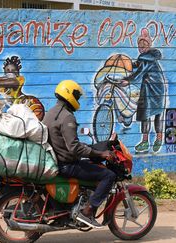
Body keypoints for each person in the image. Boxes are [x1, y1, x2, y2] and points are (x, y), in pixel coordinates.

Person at [43, 80, 116, 228]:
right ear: (69, 95)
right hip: (67, 165)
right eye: (76, 96)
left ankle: (77, 205)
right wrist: (101, 154)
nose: (77, 99)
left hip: (57, 160)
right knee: (109, 176)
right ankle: (88, 211)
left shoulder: (51, 113)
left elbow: (67, 143)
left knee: (91, 166)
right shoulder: (67, 117)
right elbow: (74, 148)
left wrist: (91, 150)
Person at [121, 28, 166, 153]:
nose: (141, 48)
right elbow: (139, 65)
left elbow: (140, 72)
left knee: (151, 114)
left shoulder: (147, 58)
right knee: (150, 113)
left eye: (143, 46)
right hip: (153, 88)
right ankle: (151, 140)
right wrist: (129, 63)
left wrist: (128, 80)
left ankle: (154, 140)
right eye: (139, 46)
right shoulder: (148, 57)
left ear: (148, 45)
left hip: (153, 88)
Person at [0, 56, 45, 120]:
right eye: (8, 70)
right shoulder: (3, 81)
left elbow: (5, 82)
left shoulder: (19, 80)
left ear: (18, 72)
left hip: (27, 104)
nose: (10, 73)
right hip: (13, 106)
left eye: (13, 71)